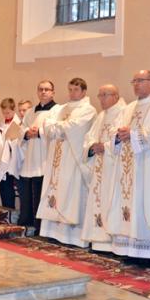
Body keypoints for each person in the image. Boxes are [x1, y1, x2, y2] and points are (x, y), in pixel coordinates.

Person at [107, 70, 150, 259]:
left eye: (140, 80)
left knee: (146, 202)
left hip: (149, 165)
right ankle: (128, 249)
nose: (136, 84)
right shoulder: (129, 107)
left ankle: (148, 254)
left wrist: (133, 134)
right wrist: (118, 135)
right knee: (128, 202)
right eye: (134, 81)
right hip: (127, 166)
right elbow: (114, 129)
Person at [37, 77, 96, 247]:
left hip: (73, 160)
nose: (72, 93)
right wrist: (61, 126)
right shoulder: (60, 108)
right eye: (70, 89)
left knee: (72, 193)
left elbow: (75, 127)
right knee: (56, 190)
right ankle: (53, 233)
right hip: (57, 160)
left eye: (76, 89)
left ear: (84, 91)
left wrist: (59, 126)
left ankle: (73, 237)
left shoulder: (88, 110)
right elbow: (47, 125)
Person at [81, 84, 125, 251]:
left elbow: (120, 139)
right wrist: (92, 146)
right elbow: (89, 137)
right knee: (98, 199)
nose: (101, 99)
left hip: (113, 168)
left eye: (105, 95)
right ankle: (98, 241)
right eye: (100, 95)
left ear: (115, 96)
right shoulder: (101, 116)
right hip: (99, 165)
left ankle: (111, 243)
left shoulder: (123, 112)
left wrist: (105, 147)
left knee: (110, 200)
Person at [18, 80, 57, 234]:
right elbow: (21, 129)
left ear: (53, 92)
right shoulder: (30, 111)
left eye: (47, 89)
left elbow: (57, 130)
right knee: (28, 195)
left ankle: (41, 228)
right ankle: (28, 223)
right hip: (31, 159)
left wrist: (39, 132)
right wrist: (27, 133)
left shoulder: (58, 110)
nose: (43, 92)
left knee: (42, 195)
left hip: (46, 159)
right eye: (40, 89)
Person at [0, 97, 21, 209]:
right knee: (3, 187)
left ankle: (11, 212)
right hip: (2, 161)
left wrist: (9, 142)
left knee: (9, 189)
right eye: (4, 113)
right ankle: (5, 211)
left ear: (13, 110)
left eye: (8, 113)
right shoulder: (0, 125)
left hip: (13, 161)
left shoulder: (18, 123)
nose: (6, 115)